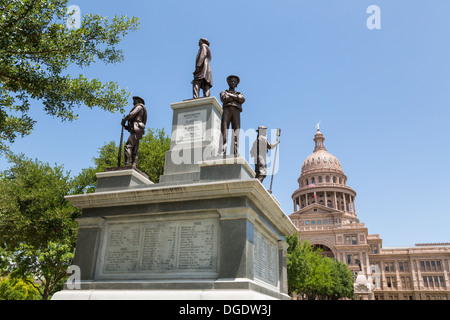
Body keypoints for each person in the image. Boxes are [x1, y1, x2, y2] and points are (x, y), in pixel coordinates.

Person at [220, 75, 245, 157]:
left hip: (236, 112)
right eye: (231, 81)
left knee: (236, 132)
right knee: (224, 131)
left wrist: (230, 96)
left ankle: (235, 152)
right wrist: (236, 98)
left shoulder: (239, 93)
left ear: (236, 84)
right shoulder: (223, 92)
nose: (233, 83)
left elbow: (241, 99)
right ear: (228, 82)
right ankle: (222, 151)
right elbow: (223, 98)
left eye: (234, 82)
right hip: (226, 111)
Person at [121, 96, 147, 168]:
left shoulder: (139, 107)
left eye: (134, 101)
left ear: (138, 101)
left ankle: (127, 165)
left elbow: (131, 115)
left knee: (128, 146)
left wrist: (124, 120)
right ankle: (133, 166)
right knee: (134, 150)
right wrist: (126, 126)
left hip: (136, 130)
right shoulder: (142, 108)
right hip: (138, 130)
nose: (133, 103)